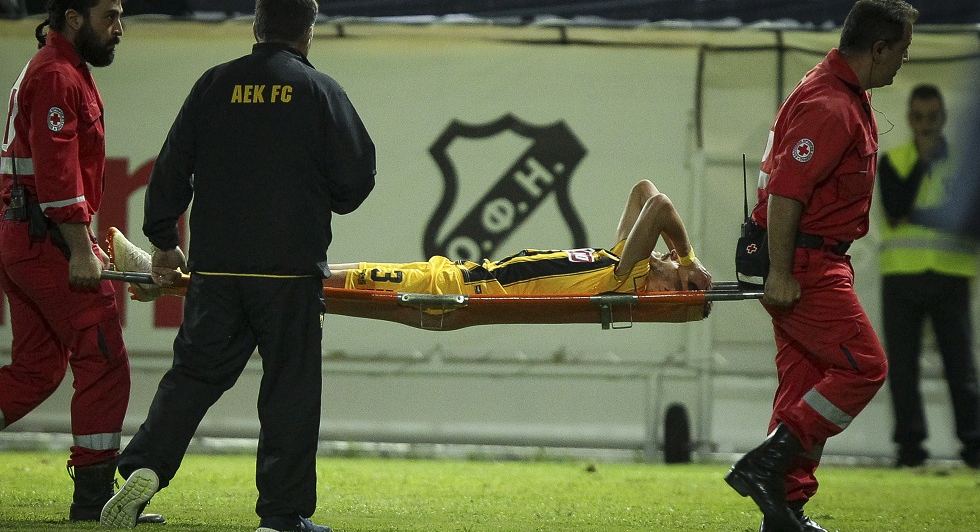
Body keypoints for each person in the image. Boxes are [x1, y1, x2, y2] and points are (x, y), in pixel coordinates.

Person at [99, 0, 377, 532]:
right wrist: (323, 198)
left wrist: (163, 241)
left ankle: (145, 466)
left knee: (193, 377)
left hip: (218, 269)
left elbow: (170, 168)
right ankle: (281, 512)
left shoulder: (214, 84)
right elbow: (357, 176)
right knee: (290, 390)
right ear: (308, 33)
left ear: (255, 27)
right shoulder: (320, 91)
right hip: (289, 271)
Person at [726, 0, 919, 532]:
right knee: (864, 369)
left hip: (807, 256)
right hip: (807, 262)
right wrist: (782, 273)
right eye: (902, 49)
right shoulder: (832, 105)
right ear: (878, 48)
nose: (904, 60)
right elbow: (787, 195)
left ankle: (783, 510)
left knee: (804, 384)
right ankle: (768, 463)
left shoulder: (835, 92)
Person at [0, 0, 162, 524]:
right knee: (103, 357)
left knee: (37, 370)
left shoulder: (60, 70)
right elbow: (57, 173)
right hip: (46, 239)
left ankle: (94, 495)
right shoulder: (58, 76)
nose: (119, 28)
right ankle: (94, 501)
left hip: (26, 236)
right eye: (109, 17)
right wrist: (78, 248)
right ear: (73, 18)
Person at [108, 179, 712, 299]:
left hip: (455, 284)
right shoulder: (623, 264)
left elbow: (653, 203)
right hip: (455, 280)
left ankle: (175, 283)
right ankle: (173, 282)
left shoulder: (622, 272)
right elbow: (647, 194)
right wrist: (686, 259)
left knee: (318, 279)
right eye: (677, 285)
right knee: (319, 278)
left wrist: (683, 260)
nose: (671, 288)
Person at [877, 84, 980, 469]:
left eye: (932, 118)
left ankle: (974, 446)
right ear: (909, 119)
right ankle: (910, 449)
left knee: (961, 367)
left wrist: (916, 215)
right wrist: (923, 166)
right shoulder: (894, 160)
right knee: (903, 368)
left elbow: (970, 222)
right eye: (919, 118)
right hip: (901, 276)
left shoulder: (966, 166)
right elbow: (894, 210)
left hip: (952, 276)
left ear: (943, 119)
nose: (926, 126)